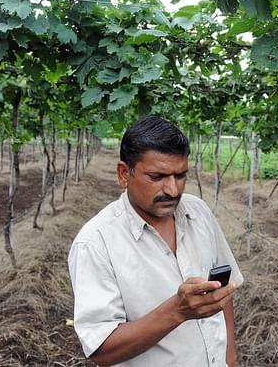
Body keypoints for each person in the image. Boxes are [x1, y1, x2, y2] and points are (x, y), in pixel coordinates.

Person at [68, 115, 244, 367]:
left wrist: (230, 359)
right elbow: (101, 350)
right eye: (157, 176)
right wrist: (176, 311)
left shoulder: (198, 212)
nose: (173, 190)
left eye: (180, 175)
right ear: (123, 174)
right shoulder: (95, 243)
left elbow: (222, 292)